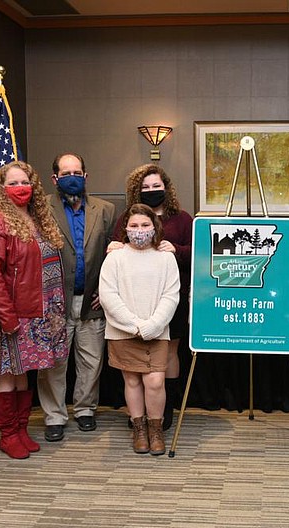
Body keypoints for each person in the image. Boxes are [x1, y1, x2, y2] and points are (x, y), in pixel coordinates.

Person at [0, 161, 68, 460]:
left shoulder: (38, 219)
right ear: (1, 189)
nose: (20, 188)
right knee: (6, 372)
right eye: (12, 183)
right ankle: (8, 434)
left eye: (25, 182)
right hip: (8, 312)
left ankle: (22, 428)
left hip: (39, 311)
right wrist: (7, 315)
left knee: (23, 371)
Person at [37, 153, 116, 443]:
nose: (73, 176)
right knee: (55, 363)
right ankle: (55, 416)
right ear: (55, 178)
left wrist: (106, 290)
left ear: (86, 176)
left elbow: (114, 253)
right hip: (55, 301)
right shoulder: (41, 208)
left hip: (91, 299)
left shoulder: (106, 210)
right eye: (66, 172)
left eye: (78, 171)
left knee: (91, 360)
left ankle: (85, 410)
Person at [109, 164, 192, 430]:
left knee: (168, 353)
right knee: (135, 363)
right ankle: (139, 412)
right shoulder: (128, 218)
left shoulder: (181, 218)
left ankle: (165, 408)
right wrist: (115, 246)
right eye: (145, 187)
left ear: (166, 187)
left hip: (172, 298)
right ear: (137, 191)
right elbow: (116, 247)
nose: (152, 191)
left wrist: (176, 248)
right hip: (135, 301)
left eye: (156, 186)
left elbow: (198, 252)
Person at [99, 204, 180, 455]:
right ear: (126, 228)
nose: (139, 230)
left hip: (157, 330)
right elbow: (108, 296)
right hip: (123, 331)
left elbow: (171, 295)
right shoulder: (115, 257)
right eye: (133, 225)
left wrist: (152, 325)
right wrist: (134, 325)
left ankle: (156, 429)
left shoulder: (166, 257)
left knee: (155, 381)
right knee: (131, 380)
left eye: (145, 225)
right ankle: (139, 428)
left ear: (154, 228)